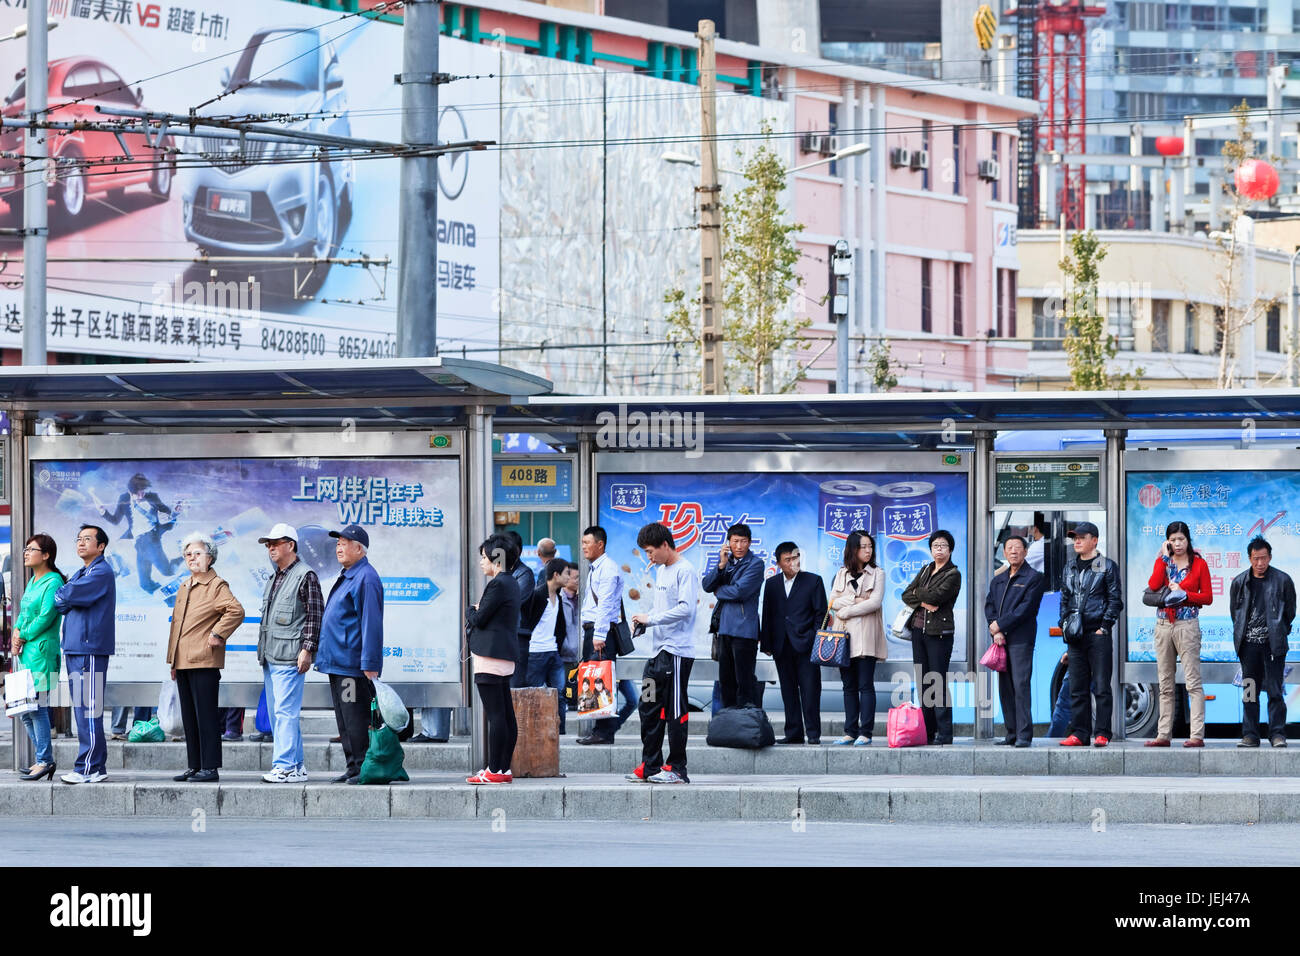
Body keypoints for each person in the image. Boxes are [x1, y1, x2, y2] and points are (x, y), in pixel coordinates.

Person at [165, 532, 245, 783]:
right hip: (183, 661)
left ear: (210, 557)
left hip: (204, 659)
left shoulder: (216, 585)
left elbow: (236, 611)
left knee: (206, 716)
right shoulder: (184, 585)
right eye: (188, 554)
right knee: (189, 717)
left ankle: (210, 767)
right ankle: (194, 765)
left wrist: (218, 633)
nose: (192, 558)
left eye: (197, 553)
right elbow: (176, 625)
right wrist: (173, 661)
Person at [627, 522, 699, 784]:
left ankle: (678, 768)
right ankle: (650, 765)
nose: (649, 557)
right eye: (646, 553)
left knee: (675, 711)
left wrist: (652, 619)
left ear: (665, 545)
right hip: (657, 652)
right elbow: (662, 611)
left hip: (677, 652)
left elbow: (686, 609)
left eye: (650, 551)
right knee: (647, 705)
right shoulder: (662, 571)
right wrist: (645, 624)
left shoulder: (685, 570)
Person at [255, 523, 324, 783]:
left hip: (291, 656)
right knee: (279, 714)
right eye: (268, 544)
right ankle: (296, 765)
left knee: (285, 712)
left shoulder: (306, 575)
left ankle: (284, 766)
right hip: (272, 656)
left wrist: (307, 650)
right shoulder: (276, 577)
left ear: (290, 545)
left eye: (275, 543)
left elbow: (315, 616)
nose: (270, 548)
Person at [317, 524, 384, 784]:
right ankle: (353, 766)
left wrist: (369, 663)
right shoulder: (349, 574)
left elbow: (371, 623)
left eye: (344, 543)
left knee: (355, 719)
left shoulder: (365, 577)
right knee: (345, 719)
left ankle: (362, 767)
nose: (339, 547)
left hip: (351, 665)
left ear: (359, 548)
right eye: (337, 543)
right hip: (337, 662)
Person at [55, 524, 117, 785]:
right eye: (78, 539)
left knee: (89, 710)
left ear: (100, 546)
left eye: (87, 539)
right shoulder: (84, 571)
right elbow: (60, 603)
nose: (80, 543)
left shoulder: (100, 572)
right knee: (83, 709)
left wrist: (66, 594)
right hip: (77, 648)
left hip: (89, 649)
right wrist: (66, 595)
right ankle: (93, 766)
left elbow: (65, 594)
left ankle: (89, 767)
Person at [1145, 521, 1212, 748]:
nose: (1177, 543)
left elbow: (1208, 597)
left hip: (1187, 625)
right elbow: (1153, 585)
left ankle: (1196, 735)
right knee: (1165, 683)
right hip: (1163, 625)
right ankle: (1163, 735)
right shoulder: (1163, 561)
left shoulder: (1199, 564)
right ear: (1167, 542)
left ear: (1188, 540)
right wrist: (1163, 558)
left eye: (1181, 539)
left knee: (1193, 682)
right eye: (1173, 540)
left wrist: (1185, 594)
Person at [1057, 521, 1123, 748]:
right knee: (1077, 686)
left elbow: (1116, 601)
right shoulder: (1069, 567)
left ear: (1094, 540)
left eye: (1082, 537)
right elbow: (1065, 599)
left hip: (1098, 634)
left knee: (1102, 685)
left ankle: (1102, 733)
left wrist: (1104, 626)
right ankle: (1080, 733)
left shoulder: (1106, 566)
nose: (1077, 541)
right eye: (1075, 537)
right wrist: (1065, 623)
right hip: (1076, 635)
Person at [1229, 536, 1295, 748]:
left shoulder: (1282, 580)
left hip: (1274, 646)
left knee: (1275, 691)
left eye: (1264, 558)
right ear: (1249, 558)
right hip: (1248, 648)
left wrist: (1279, 632)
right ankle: (1250, 735)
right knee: (1250, 691)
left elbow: (1290, 612)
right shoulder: (1240, 582)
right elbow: (1235, 614)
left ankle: (1277, 734)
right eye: (1256, 558)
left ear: (1270, 557)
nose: (1260, 563)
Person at [466, 533, 522, 784]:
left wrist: (471, 609)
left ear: (496, 558)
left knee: (497, 717)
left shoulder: (499, 584)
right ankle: (502, 769)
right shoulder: (511, 582)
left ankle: (495, 770)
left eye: (484, 557)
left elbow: (479, 618)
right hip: (503, 655)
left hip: (490, 657)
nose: (481, 562)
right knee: (506, 716)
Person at [762, 540, 829, 745]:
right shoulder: (772, 584)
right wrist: (766, 645)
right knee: (788, 690)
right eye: (788, 559)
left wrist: (814, 637)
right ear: (779, 563)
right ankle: (794, 732)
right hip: (781, 646)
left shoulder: (813, 581)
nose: (793, 562)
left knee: (810, 689)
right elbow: (767, 615)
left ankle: (813, 733)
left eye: (796, 558)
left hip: (806, 645)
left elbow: (822, 615)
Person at [901, 529, 962, 746]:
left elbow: (938, 596)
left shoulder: (953, 574)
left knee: (937, 681)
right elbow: (906, 594)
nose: (939, 549)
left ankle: (945, 733)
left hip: (939, 634)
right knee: (923, 682)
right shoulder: (926, 568)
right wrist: (923, 600)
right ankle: (927, 732)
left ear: (950, 549)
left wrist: (919, 593)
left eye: (943, 546)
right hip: (919, 632)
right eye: (935, 546)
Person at [576, 525, 637, 745]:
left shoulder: (608, 569)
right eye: (582, 543)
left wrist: (599, 634)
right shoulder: (597, 568)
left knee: (600, 680)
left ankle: (604, 731)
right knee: (595, 680)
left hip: (600, 633)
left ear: (600, 544)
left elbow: (606, 605)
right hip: (594, 631)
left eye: (586, 543)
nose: (583, 547)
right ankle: (602, 730)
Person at [13, 534, 66, 781]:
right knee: (25, 708)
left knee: (37, 707)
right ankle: (42, 758)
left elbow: (46, 617)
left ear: (46, 555)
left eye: (31, 549)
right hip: (28, 652)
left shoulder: (53, 581)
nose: (26, 552)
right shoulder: (34, 580)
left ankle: (44, 760)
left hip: (43, 652)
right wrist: (15, 632)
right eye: (26, 549)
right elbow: (24, 612)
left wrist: (21, 634)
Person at [984, 536, 1046, 747]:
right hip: (1000, 641)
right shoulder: (998, 579)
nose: (1013, 551)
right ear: (1004, 553)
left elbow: (1025, 610)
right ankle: (1011, 732)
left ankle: (1024, 735)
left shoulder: (1034, 577)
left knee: (1020, 685)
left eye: (1018, 548)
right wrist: (995, 630)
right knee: (1005, 688)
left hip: (1021, 639)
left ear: (1026, 552)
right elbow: (989, 606)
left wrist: (999, 625)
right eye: (1009, 548)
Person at [827, 530, 886, 746]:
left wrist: (848, 608)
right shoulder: (842, 572)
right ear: (853, 549)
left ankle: (866, 732)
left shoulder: (878, 573)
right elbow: (832, 600)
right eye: (863, 547)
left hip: (866, 636)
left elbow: (875, 602)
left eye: (870, 546)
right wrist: (853, 602)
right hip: (844, 636)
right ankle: (850, 731)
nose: (868, 550)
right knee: (848, 686)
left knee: (865, 685)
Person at [702, 523, 765, 708]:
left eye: (743, 541)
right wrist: (721, 565)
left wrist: (719, 591)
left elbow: (739, 591)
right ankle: (729, 725)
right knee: (726, 682)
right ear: (728, 542)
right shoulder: (726, 562)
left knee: (744, 682)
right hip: (724, 629)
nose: (739, 546)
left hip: (744, 630)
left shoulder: (756, 564)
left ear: (750, 543)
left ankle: (746, 725)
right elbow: (707, 585)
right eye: (735, 541)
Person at [95, 472, 183, 594]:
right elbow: (115, 520)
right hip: (138, 542)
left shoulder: (152, 497)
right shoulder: (124, 498)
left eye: (144, 491)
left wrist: (175, 511)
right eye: (139, 492)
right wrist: (103, 512)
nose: (142, 494)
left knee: (167, 571)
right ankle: (158, 597)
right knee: (145, 584)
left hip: (151, 538)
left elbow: (167, 511)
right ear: (131, 491)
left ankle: (184, 558)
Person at [523, 557, 570, 728]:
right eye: (566, 574)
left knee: (559, 694)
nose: (569, 578)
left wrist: (558, 644)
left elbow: (560, 627)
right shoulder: (537, 594)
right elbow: (525, 620)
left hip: (553, 652)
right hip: (535, 652)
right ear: (556, 575)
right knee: (533, 694)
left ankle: (560, 731)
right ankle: (532, 729)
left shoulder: (558, 597)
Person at [506, 530, 536, 689]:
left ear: (518, 551)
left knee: (514, 687)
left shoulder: (524, 573)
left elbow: (513, 601)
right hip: (503, 634)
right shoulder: (500, 571)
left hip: (518, 635)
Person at [557, 561, 582, 733]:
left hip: (580, 654)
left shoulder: (583, 598)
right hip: (564, 655)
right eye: (576, 577)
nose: (579, 580)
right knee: (563, 694)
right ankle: (562, 731)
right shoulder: (558, 599)